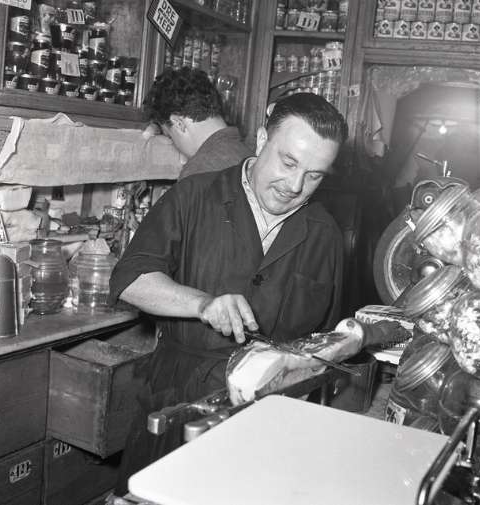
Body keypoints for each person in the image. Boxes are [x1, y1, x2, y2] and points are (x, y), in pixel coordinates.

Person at [109, 92, 348, 496]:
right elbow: (130, 280)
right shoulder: (194, 196)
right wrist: (201, 304)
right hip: (180, 404)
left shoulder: (326, 236)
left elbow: (326, 347)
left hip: (271, 421)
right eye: (288, 163)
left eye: (314, 175)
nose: (295, 186)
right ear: (261, 139)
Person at [144, 66, 253, 180]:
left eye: (170, 136)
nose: (176, 146)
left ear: (178, 124)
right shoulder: (249, 156)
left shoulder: (197, 173)